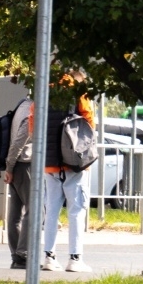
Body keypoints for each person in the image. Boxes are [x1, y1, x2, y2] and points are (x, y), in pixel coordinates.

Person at [41, 74, 95, 273]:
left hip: (50, 163)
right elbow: (88, 120)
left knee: (51, 211)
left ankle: (49, 256)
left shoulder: (43, 89)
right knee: (77, 211)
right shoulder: (78, 92)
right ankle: (75, 258)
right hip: (74, 161)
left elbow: (33, 121)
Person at [1, 95, 36, 268]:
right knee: (36, 210)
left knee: (15, 213)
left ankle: (16, 256)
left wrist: (9, 167)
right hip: (24, 164)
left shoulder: (22, 104)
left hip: (17, 165)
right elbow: (19, 140)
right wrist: (9, 166)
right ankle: (22, 254)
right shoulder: (33, 110)